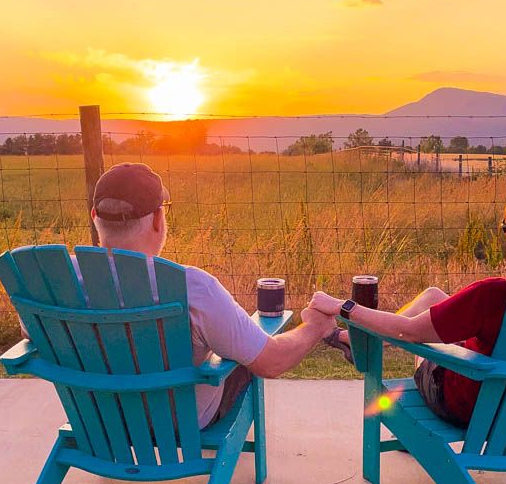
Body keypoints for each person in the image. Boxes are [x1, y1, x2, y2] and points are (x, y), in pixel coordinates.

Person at [87, 162, 337, 428]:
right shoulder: (193, 288)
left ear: (94, 216)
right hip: (178, 423)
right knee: (244, 356)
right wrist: (315, 326)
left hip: (99, 421)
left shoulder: (54, 281)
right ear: (159, 220)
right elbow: (272, 362)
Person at [310, 183, 506, 427]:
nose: (504, 233)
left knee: (425, 341)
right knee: (433, 296)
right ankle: (356, 342)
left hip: (473, 406)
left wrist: (341, 307)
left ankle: (362, 344)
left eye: (505, 227)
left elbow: (409, 332)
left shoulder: (495, 295)